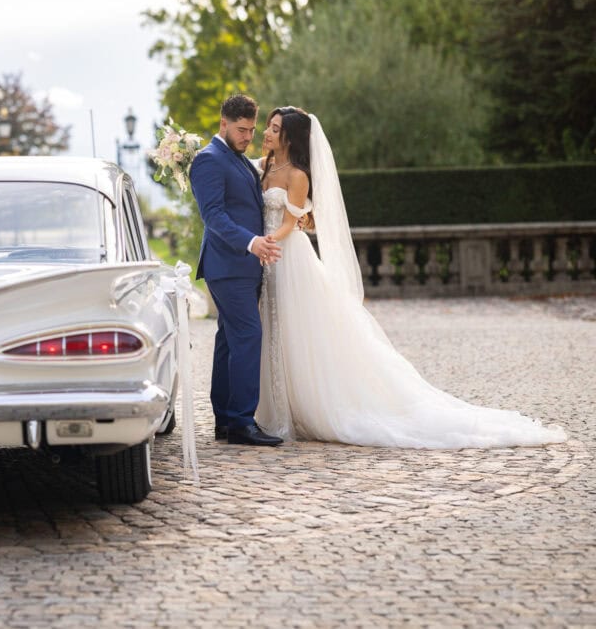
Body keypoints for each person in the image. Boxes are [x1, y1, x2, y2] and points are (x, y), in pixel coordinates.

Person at [253, 106, 567, 448]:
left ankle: (312, 402)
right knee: (273, 326)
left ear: (290, 137)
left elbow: (289, 222)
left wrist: (267, 243)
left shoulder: (298, 175)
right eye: (268, 126)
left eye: (274, 128)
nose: (266, 132)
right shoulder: (264, 165)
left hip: (288, 255)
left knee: (299, 329)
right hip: (265, 253)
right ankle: (272, 403)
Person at [189, 95, 283, 446]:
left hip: (242, 267)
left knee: (229, 340)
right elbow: (214, 217)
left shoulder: (240, 160)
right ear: (222, 124)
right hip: (228, 266)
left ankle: (227, 421)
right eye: (241, 130)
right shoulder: (208, 160)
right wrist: (251, 243)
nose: (247, 136)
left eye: (251, 130)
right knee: (248, 336)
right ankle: (243, 421)